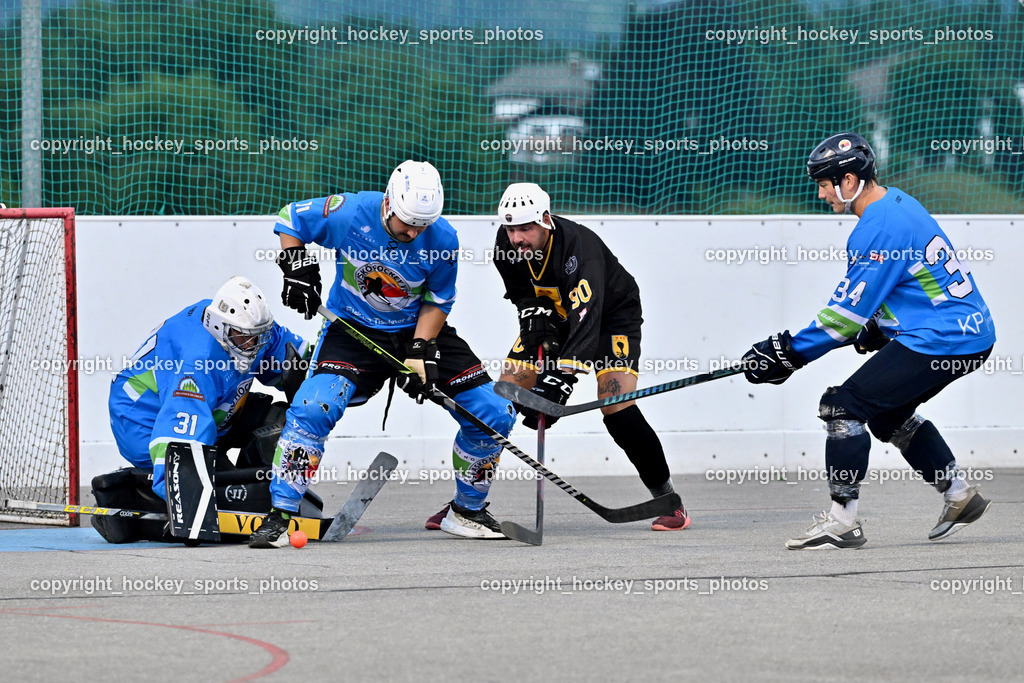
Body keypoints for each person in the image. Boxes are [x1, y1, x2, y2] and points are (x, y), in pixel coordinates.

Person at [742, 132, 995, 550]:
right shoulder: (896, 202)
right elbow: (905, 286)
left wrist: (786, 352)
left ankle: (842, 521)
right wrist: (877, 327)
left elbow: (842, 319)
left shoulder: (877, 229)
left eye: (824, 185)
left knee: (842, 405)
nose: (822, 195)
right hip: (962, 332)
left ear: (849, 180)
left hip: (945, 338)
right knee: (884, 413)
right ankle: (959, 495)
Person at [248, 160, 516, 548]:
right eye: (406, 222)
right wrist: (296, 268)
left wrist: (421, 351)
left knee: (493, 412)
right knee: (313, 407)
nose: (412, 232)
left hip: (415, 329)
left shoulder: (442, 238)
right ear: (389, 203)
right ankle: (281, 515)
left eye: (420, 225)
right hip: (351, 330)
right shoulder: (352, 211)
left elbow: (439, 299)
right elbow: (290, 218)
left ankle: (465, 511)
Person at [481, 182, 689, 532]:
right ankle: (467, 503)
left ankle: (668, 499)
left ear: (546, 221)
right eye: (511, 228)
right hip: (555, 318)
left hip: (611, 317)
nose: (517, 238)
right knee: (499, 400)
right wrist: (539, 338)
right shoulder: (507, 245)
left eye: (526, 228)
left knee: (615, 403)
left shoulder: (581, 248)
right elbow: (523, 299)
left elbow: (588, 317)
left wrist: (559, 379)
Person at [109, 275, 308, 500]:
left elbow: (299, 362)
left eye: (258, 337)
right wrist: (184, 494)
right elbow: (177, 436)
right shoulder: (197, 363)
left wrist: (337, 377)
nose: (253, 347)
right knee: (215, 489)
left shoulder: (249, 329)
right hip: (144, 423)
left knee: (279, 422)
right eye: (245, 339)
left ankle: (262, 493)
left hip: (205, 410)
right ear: (218, 328)